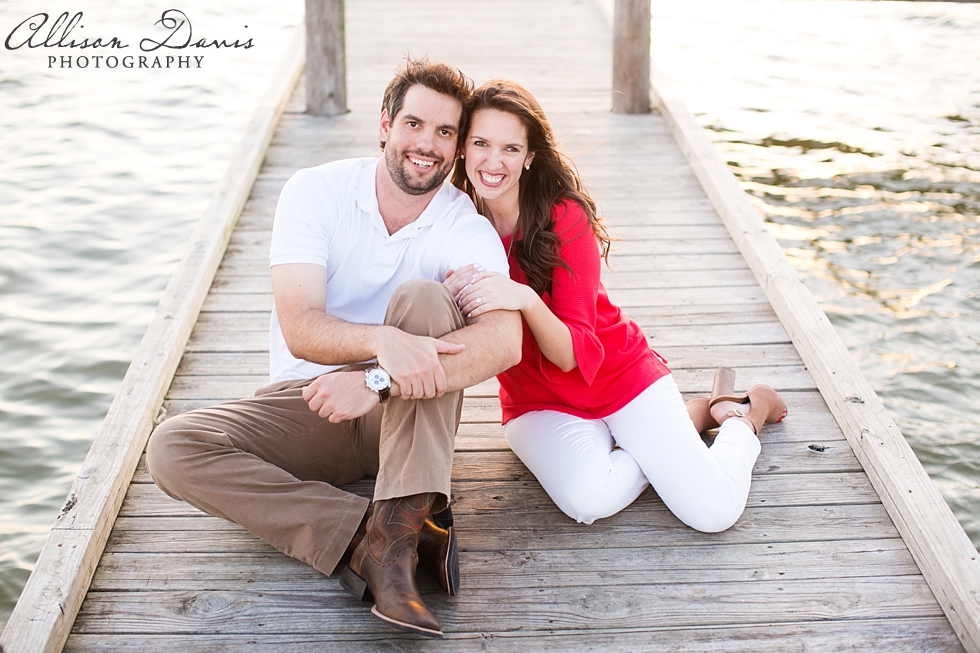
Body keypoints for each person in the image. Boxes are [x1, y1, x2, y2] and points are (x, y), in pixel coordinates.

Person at [146, 58, 522, 638]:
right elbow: (300, 325)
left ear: (456, 147)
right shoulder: (317, 191)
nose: (428, 145)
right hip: (310, 403)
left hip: (401, 414)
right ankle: (370, 535)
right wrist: (381, 342)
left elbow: (504, 340)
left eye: (446, 132)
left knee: (425, 299)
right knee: (173, 446)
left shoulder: (462, 223)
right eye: (414, 125)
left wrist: (375, 378)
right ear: (384, 125)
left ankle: (397, 534)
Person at [445, 80, 787, 533]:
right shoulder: (452, 221)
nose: (493, 161)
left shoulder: (564, 215)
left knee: (714, 512)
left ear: (529, 157)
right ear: (463, 148)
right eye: (481, 143)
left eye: (510, 148)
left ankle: (743, 414)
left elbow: (571, 351)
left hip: (616, 373)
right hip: (537, 399)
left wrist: (524, 298)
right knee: (587, 498)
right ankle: (691, 416)